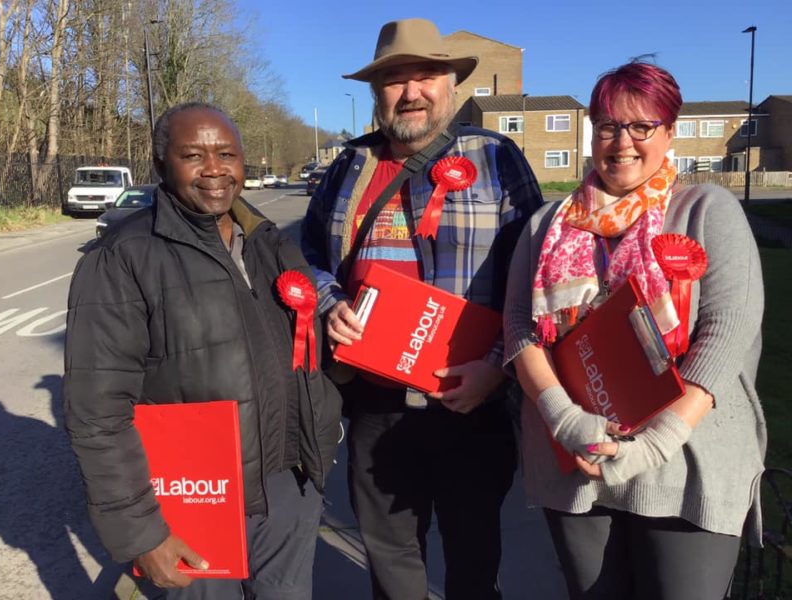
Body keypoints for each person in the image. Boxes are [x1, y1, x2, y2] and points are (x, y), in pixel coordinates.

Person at [300, 17, 544, 600]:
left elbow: (539, 272)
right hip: (374, 402)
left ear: (450, 86)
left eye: (425, 77)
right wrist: (328, 301)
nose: (410, 92)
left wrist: (496, 366)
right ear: (375, 92)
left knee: (473, 563)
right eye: (394, 80)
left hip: (471, 402)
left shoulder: (497, 157)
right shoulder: (346, 166)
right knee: (392, 566)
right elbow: (309, 253)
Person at [503, 61, 766, 600]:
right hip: (577, 462)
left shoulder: (706, 210)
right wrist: (564, 419)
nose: (622, 142)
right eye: (607, 126)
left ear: (668, 132)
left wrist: (653, 445)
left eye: (640, 126)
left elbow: (726, 333)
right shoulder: (546, 226)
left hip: (684, 467)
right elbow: (519, 327)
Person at [63, 102, 342, 600]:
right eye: (194, 154)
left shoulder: (268, 242)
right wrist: (143, 533)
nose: (214, 168)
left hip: (289, 489)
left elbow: (304, 350)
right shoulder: (122, 260)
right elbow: (97, 413)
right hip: (198, 504)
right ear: (161, 165)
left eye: (227, 154)